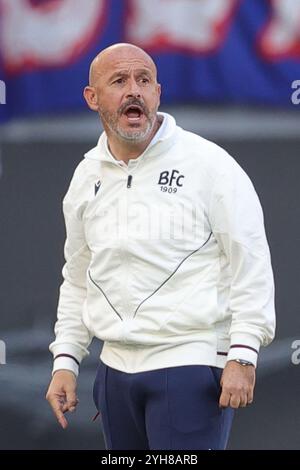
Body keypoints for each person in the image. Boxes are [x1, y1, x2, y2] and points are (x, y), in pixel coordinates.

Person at [46, 43, 276, 450]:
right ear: (92, 98)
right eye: (119, 81)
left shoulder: (210, 164)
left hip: (190, 365)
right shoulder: (85, 176)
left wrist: (242, 355)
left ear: (157, 93)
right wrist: (65, 361)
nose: (134, 90)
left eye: (144, 80)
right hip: (114, 371)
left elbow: (251, 263)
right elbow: (78, 276)